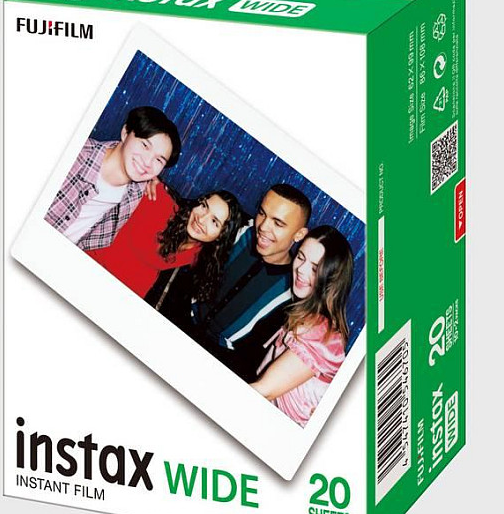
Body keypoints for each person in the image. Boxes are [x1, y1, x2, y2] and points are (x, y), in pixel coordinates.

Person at [193, 183, 312, 383]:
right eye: (262, 214)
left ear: (299, 234)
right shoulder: (238, 230)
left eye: (278, 223)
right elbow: (195, 216)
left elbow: (251, 357)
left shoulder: (291, 292)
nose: (263, 227)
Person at [251, 226, 354, 427]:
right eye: (301, 257)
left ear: (332, 280)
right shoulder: (303, 313)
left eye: (315, 268)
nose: (301, 269)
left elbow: (263, 390)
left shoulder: (323, 334)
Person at [45, 106, 181, 251]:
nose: (148, 162)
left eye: (159, 160)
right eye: (145, 145)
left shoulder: (137, 190)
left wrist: (155, 180)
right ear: (125, 133)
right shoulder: (74, 154)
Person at [86, 183, 243, 300]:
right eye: (204, 206)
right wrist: (149, 179)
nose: (201, 219)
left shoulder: (200, 256)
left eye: (214, 221)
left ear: (221, 236)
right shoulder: (160, 200)